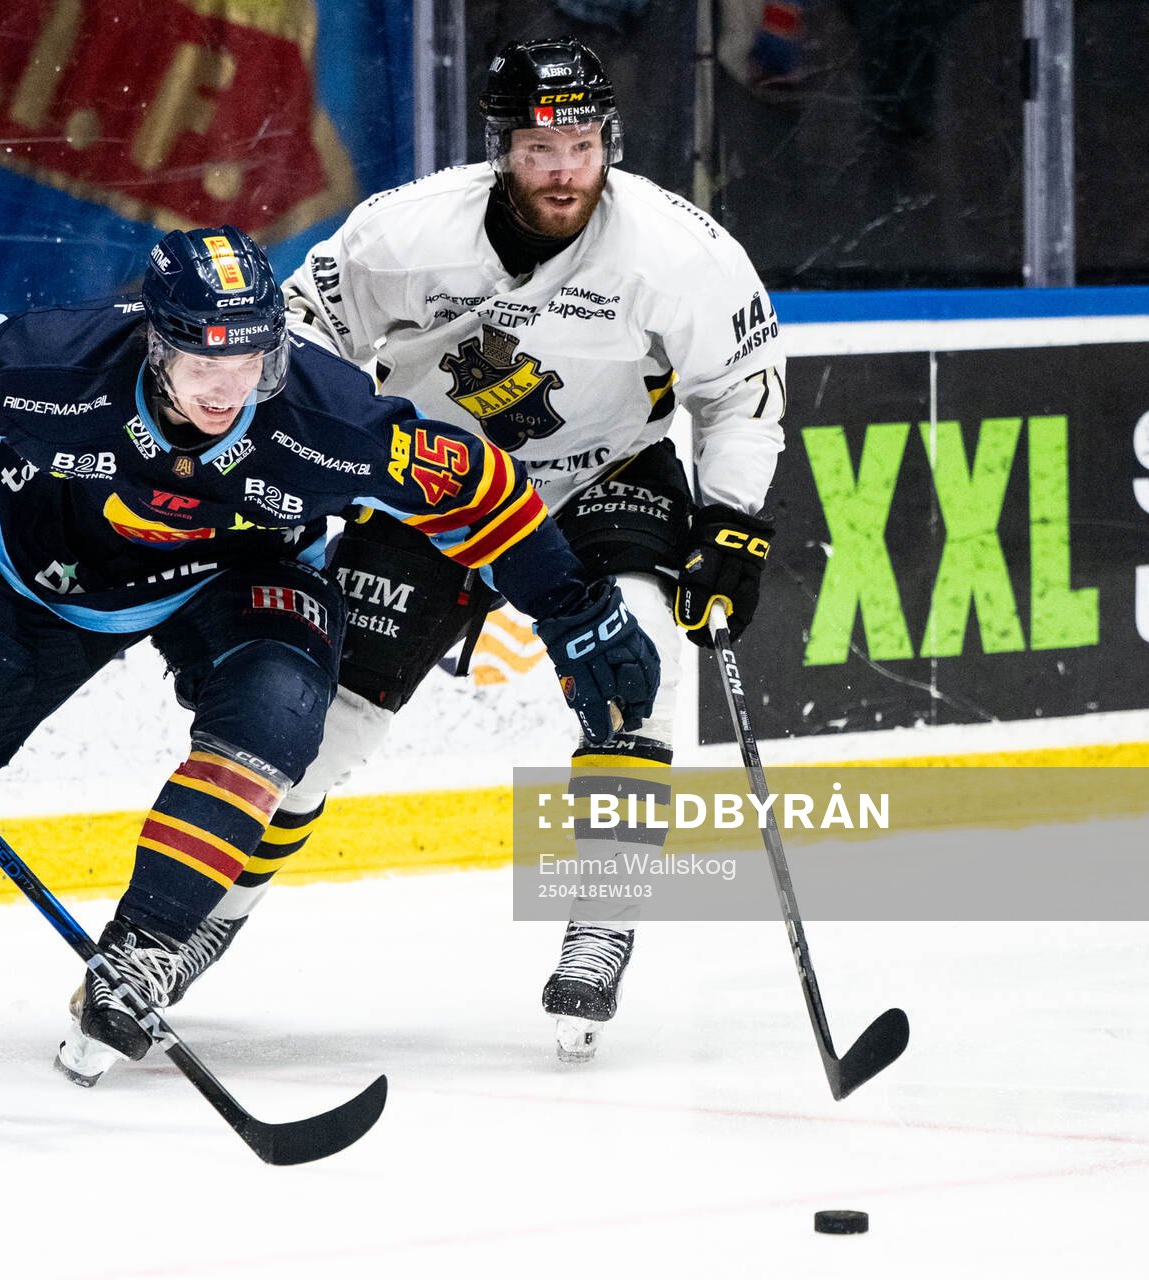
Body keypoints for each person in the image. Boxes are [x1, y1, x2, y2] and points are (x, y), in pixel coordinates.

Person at [0, 225, 659, 1086]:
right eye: (202, 359)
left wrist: (574, 611)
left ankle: (145, 949)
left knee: (279, 721)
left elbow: (471, 484)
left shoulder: (320, 418)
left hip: (237, 577)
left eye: (247, 358)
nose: (225, 385)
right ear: (156, 343)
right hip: (41, 583)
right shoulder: (55, 365)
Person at [182, 38, 788, 1063]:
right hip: (436, 483)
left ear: (612, 143)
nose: (566, 169)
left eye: (585, 144)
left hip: (606, 471)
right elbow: (297, 334)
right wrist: (318, 454)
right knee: (326, 724)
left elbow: (741, 384)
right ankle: (195, 918)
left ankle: (602, 913)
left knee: (636, 661)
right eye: (541, 146)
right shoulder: (403, 233)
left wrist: (733, 517)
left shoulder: (680, 253)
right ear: (501, 147)